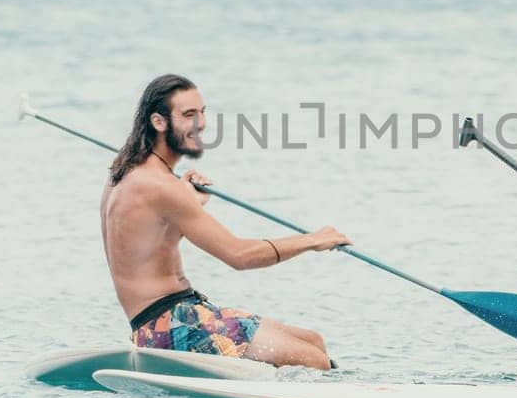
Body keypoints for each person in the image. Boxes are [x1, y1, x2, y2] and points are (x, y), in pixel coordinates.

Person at [101, 74, 348, 368]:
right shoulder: (161, 186)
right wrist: (312, 240)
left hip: (177, 316)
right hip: (169, 328)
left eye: (202, 112)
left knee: (313, 342)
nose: (201, 123)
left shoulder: (123, 172)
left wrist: (189, 201)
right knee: (312, 360)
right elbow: (240, 256)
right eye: (189, 115)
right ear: (158, 122)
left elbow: (149, 236)